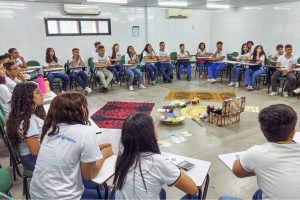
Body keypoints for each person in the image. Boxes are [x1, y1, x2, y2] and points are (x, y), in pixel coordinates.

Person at [30, 92, 114, 199]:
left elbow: (68, 153)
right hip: (63, 197)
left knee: (89, 184)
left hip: (37, 194)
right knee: (114, 195)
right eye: (84, 106)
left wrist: (96, 150)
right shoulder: (85, 132)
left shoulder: (50, 127)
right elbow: (89, 175)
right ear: (77, 111)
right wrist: (104, 154)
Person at [113, 112, 198, 199]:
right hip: (162, 163)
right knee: (194, 197)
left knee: (161, 192)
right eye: (154, 125)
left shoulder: (122, 157)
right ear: (150, 133)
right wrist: (174, 170)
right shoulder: (158, 162)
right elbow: (193, 189)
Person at [230, 104, 300, 199]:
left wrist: (261, 168)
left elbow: (237, 171)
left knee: (223, 198)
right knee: (259, 193)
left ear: (263, 130)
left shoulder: (256, 153)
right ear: (292, 133)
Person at [6, 82, 45, 170]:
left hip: (30, 157)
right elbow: (35, 151)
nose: (42, 94)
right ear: (28, 98)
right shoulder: (30, 121)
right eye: (38, 92)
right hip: (33, 159)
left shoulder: (22, 114)